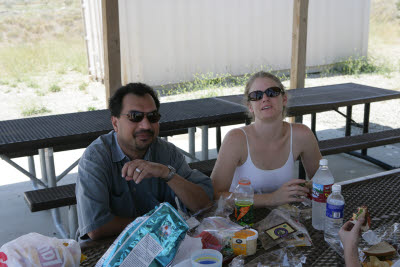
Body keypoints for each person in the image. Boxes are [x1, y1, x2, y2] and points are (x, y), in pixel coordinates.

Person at [76, 83, 213, 241]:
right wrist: (156, 223)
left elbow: (204, 205)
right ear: (115, 123)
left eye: (152, 117)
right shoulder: (96, 158)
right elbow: (96, 228)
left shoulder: (167, 153)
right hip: (107, 249)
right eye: (135, 117)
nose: (146, 125)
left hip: (161, 243)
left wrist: (167, 174)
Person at [211, 71, 322, 207]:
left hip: (284, 219)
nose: (265, 98)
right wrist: (272, 198)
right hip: (241, 219)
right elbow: (215, 195)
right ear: (250, 107)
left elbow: (322, 180)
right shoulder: (236, 139)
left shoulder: (302, 134)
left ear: (284, 99)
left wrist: (306, 187)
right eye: (256, 96)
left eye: (272, 92)